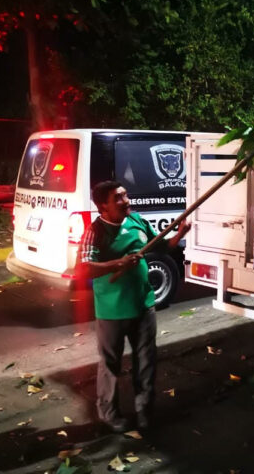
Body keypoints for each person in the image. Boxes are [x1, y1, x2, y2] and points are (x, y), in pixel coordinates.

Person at [76, 180, 190, 433]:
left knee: (147, 362)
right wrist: (118, 263)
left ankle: (144, 412)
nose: (126, 201)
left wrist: (179, 234)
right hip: (112, 310)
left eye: (126, 195)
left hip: (143, 305)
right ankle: (108, 414)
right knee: (110, 365)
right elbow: (83, 267)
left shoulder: (137, 221)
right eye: (118, 198)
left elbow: (160, 245)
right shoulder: (95, 231)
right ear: (102, 206)